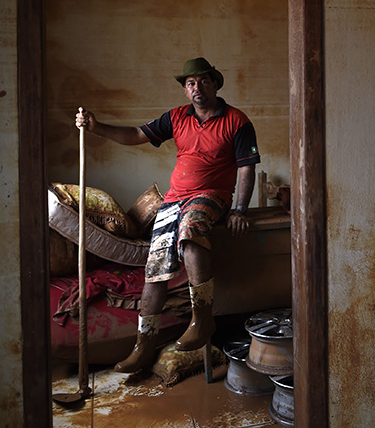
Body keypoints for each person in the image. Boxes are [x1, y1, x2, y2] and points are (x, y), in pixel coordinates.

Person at [75, 57, 260, 372]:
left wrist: (241, 209)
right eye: (190, 83)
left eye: (202, 81)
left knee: (190, 232)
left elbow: (246, 167)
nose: (196, 87)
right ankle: (144, 345)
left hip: (211, 195)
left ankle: (201, 321)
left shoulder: (237, 121)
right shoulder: (176, 117)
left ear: (215, 83)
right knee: (155, 267)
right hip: (174, 199)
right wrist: (96, 128)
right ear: (185, 90)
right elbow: (136, 134)